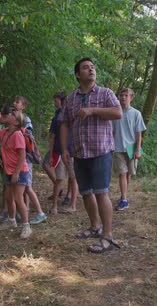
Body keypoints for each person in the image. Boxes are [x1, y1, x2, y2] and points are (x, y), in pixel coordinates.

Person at [60, 57, 122, 253]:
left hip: (101, 150)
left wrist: (93, 110)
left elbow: (118, 113)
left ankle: (108, 236)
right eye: (86, 68)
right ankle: (95, 227)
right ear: (78, 74)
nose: (91, 70)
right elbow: (64, 124)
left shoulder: (105, 93)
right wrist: (64, 149)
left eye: (93, 67)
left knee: (101, 192)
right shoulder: (71, 99)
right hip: (79, 152)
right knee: (86, 193)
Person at [0, 105, 33, 239]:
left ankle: (26, 226)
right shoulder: (5, 132)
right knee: (8, 196)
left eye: (13, 115)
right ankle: (12, 221)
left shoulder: (18, 134)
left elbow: (22, 156)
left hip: (20, 171)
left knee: (18, 198)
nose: (9, 115)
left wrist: (16, 173)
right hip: (8, 170)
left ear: (16, 121)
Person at [12, 96, 48, 225]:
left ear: (23, 106)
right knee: (24, 187)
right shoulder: (13, 118)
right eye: (14, 101)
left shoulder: (25, 120)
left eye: (17, 102)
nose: (14, 103)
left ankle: (40, 213)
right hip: (18, 159)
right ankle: (25, 212)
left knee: (27, 186)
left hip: (25, 158)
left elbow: (27, 138)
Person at [112, 88, 146, 211]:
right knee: (122, 173)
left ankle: (123, 195)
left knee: (128, 174)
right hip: (117, 148)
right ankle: (124, 200)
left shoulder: (136, 113)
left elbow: (139, 134)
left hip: (131, 148)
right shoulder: (114, 113)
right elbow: (111, 131)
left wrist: (137, 150)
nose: (123, 97)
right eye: (121, 95)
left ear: (131, 97)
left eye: (126, 95)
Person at [48, 92, 78, 214]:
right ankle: (54, 206)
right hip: (60, 152)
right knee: (59, 179)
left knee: (73, 178)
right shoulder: (57, 118)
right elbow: (52, 136)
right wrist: (51, 154)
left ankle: (73, 205)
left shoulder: (75, 117)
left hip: (73, 153)